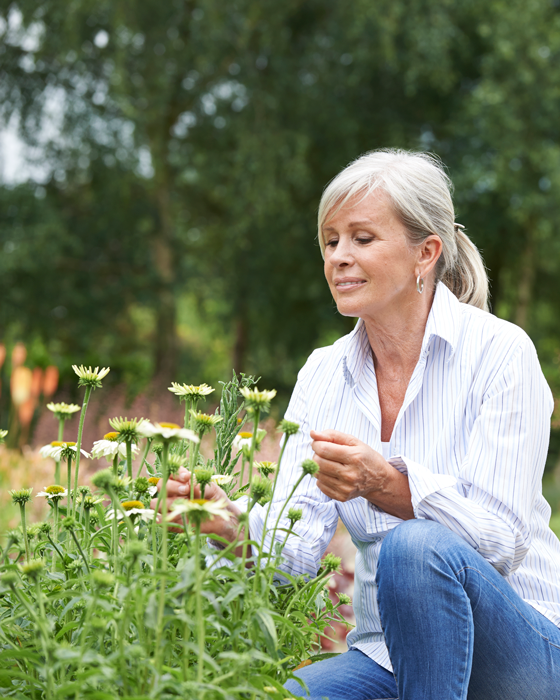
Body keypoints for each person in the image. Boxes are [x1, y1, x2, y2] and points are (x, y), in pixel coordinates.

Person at [158, 149, 560, 700]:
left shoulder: (500, 353)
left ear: (426, 253)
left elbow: (503, 542)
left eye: (362, 239)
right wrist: (231, 524)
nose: (339, 258)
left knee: (414, 548)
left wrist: (390, 486)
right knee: (287, 696)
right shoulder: (324, 374)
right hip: (387, 656)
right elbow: (296, 552)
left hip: (525, 652)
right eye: (330, 241)